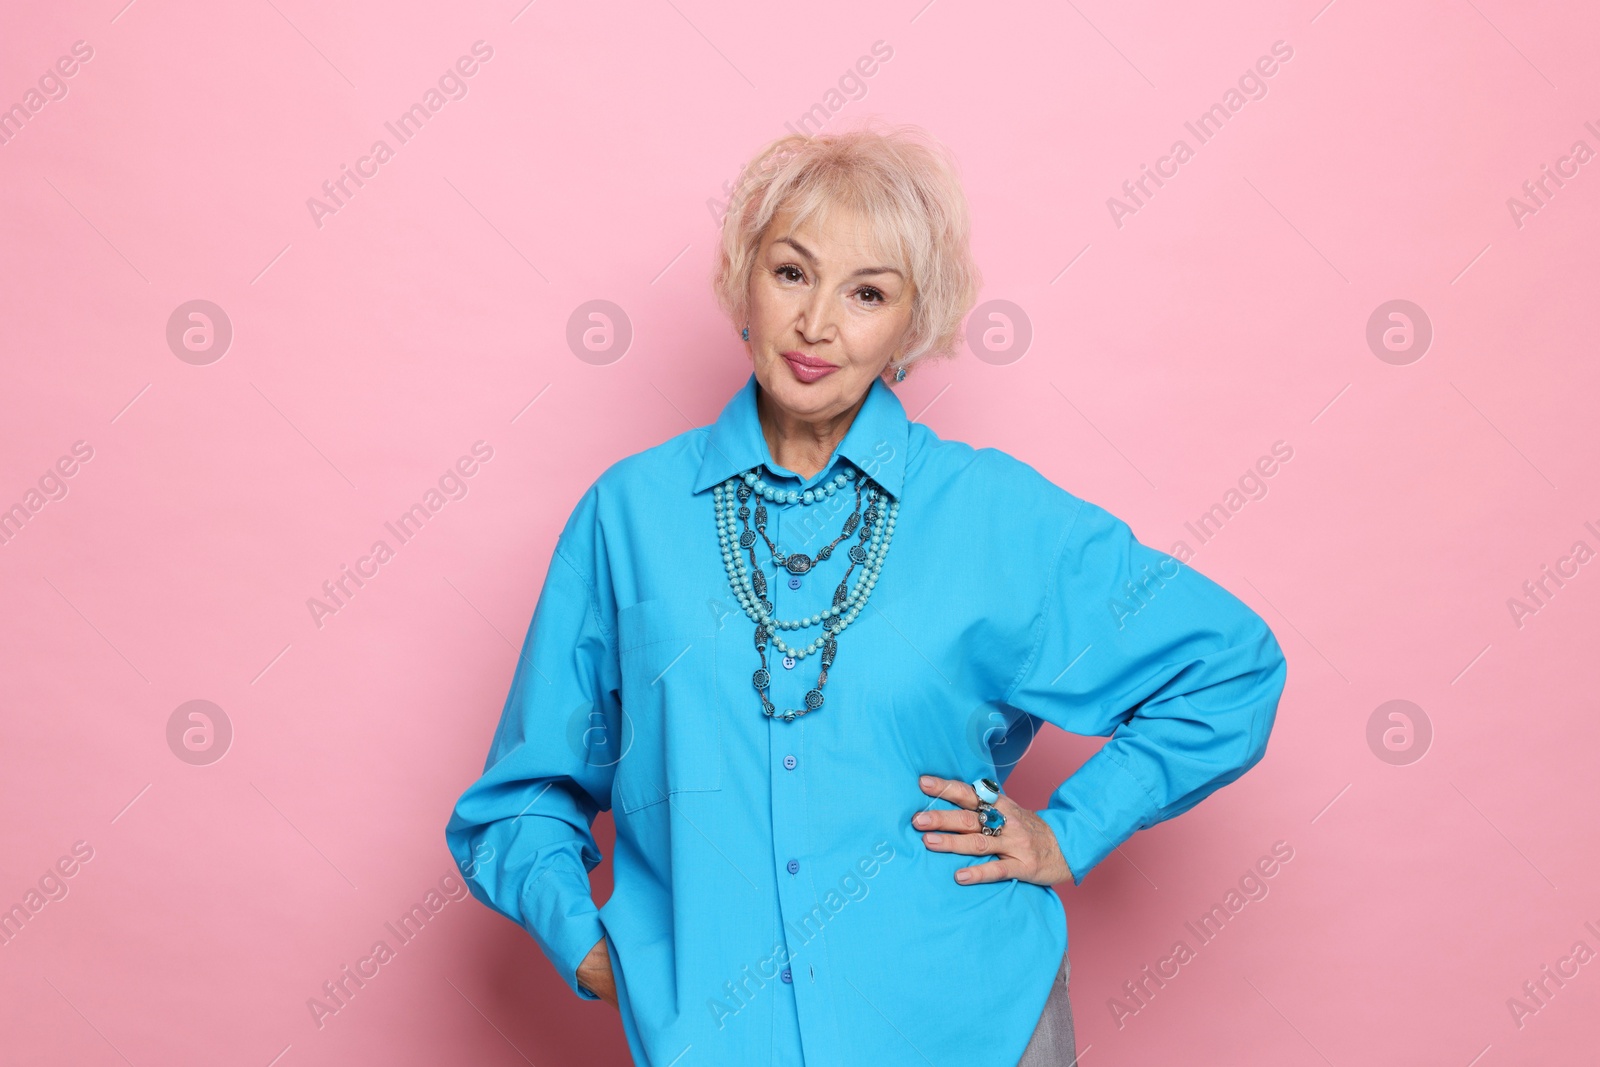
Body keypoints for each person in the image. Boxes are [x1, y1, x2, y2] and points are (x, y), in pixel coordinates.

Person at [445, 120, 1288, 1066]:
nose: (818, 325)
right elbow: (518, 798)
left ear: (910, 324)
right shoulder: (627, 519)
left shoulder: (992, 515)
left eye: (868, 293)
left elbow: (1229, 666)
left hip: (970, 1026)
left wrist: (1068, 831)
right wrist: (595, 952)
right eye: (793, 273)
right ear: (743, 285)